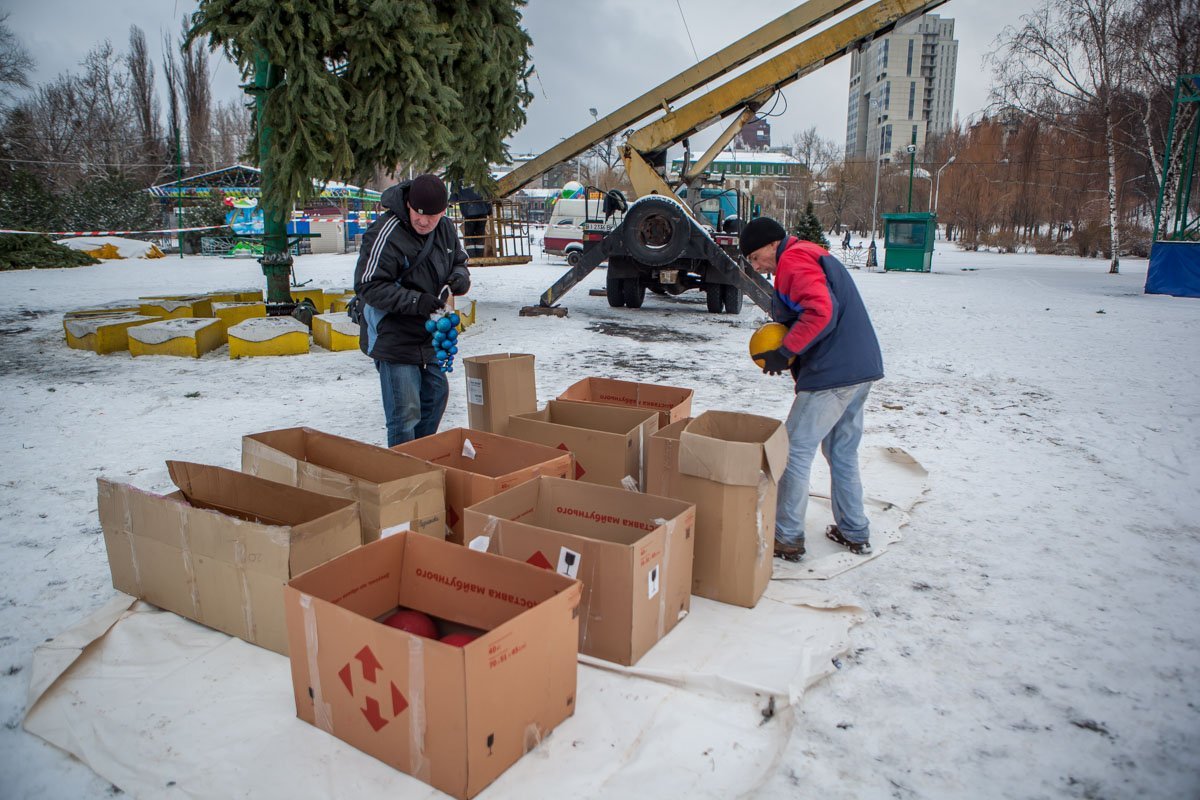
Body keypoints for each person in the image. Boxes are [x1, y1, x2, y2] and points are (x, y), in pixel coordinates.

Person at [742, 217, 884, 562]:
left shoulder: (793, 260)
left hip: (833, 374)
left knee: (793, 450)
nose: (758, 266)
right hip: (859, 368)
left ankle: (787, 537)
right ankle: (854, 530)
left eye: (757, 257)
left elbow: (821, 311)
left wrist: (787, 350)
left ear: (773, 244)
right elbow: (814, 310)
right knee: (841, 452)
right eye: (751, 263)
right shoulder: (808, 254)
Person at [354, 173, 471, 446]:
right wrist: (418, 302)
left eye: (431, 216)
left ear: (443, 211)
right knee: (405, 414)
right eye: (417, 213)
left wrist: (458, 279)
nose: (423, 220)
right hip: (393, 335)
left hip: (429, 336)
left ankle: (418, 460)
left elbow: (459, 262)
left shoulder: (445, 229)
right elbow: (368, 285)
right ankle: (403, 475)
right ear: (408, 204)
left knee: (436, 396)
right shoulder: (386, 231)